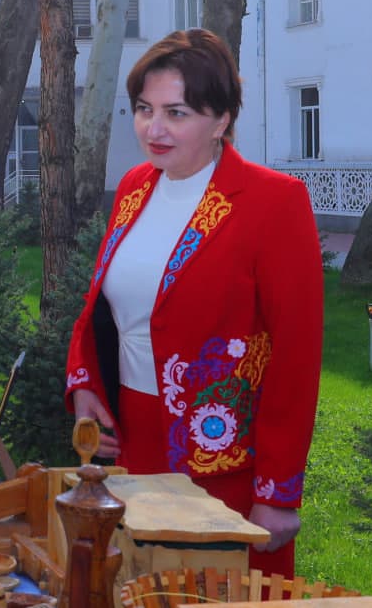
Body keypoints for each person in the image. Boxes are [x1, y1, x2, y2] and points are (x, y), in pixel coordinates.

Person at [65, 29, 322, 578]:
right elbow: (101, 305)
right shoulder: (135, 187)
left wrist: (277, 493)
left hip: (224, 462)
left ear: (222, 119)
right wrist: (85, 382)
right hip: (135, 443)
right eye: (144, 109)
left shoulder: (274, 202)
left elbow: (296, 353)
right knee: (135, 586)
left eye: (176, 113)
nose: (153, 129)